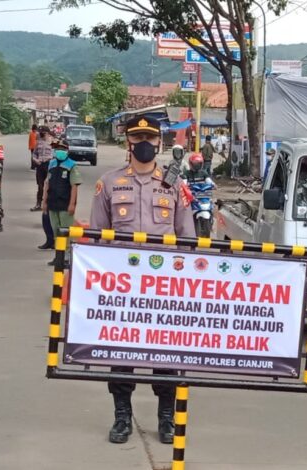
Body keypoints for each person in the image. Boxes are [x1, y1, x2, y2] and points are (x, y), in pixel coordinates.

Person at [90, 115, 195, 446]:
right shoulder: (109, 183)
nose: (144, 143)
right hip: (122, 288)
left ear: (159, 142)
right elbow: (96, 239)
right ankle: (122, 417)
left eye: (149, 137)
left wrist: (188, 284)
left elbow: (187, 238)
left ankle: (166, 418)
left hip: (164, 289)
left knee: (165, 358)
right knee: (121, 358)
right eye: (137, 138)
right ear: (128, 143)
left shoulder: (175, 186)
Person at [41, 145, 82, 265]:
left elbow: (74, 186)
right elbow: (47, 184)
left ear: (67, 151)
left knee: (67, 233)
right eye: (57, 149)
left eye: (62, 149)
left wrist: (72, 204)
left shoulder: (72, 165)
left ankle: (68, 258)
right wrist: (44, 201)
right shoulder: (52, 164)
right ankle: (58, 257)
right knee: (56, 232)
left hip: (65, 203)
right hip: (52, 203)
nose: (60, 152)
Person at [31, 127, 54, 211]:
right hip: (40, 165)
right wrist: (36, 160)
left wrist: (50, 158)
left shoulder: (53, 142)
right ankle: (38, 204)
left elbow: (57, 153)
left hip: (50, 165)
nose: (41, 134)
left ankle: (49, 205)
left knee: (50, 186)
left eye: (43, 133)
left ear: (47, 133)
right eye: (41, 133)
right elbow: (34, 154)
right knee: (40, 186)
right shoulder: (38, 143)